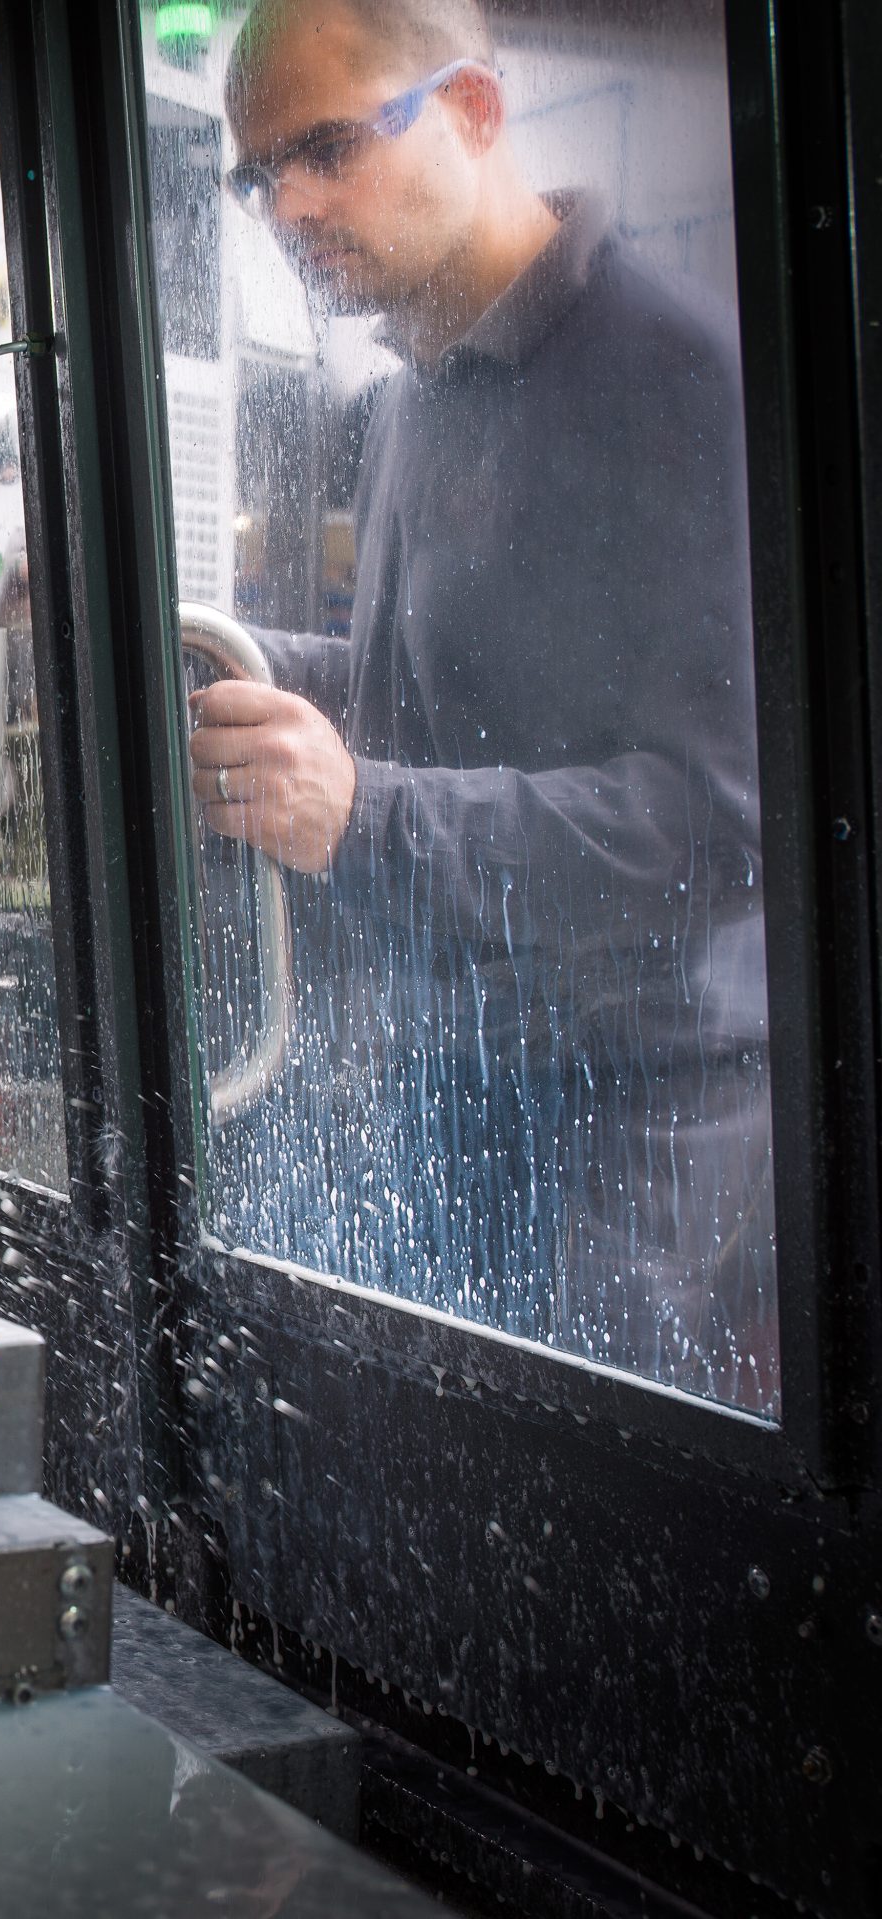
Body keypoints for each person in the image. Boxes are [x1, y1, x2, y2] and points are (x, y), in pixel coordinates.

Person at [189, 0, 776, 1406]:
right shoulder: (416, 392)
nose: (289, 204)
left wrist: (363, 816)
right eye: (257, 173)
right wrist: (213, 653)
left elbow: (723, 826)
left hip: (632, 1141)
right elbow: (428, 708)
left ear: (474, 111)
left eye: (328, 148)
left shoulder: (681, 381)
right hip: (454, 1083)